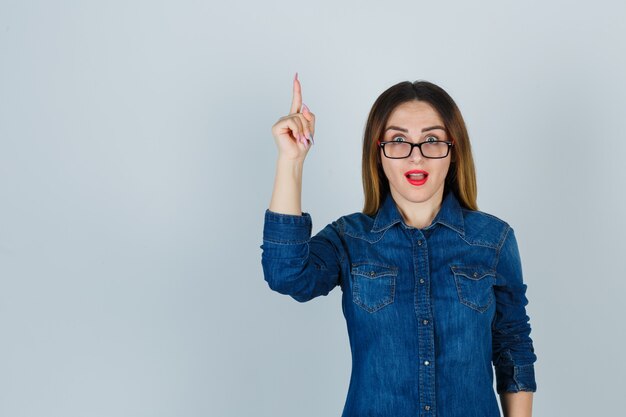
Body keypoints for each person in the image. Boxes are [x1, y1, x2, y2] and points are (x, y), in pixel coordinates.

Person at [260, 73, 537, 417]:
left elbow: (513, 349)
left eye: (432, 140)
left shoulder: (493, 240)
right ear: (378, 153)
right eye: (398, 141)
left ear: (453, 151)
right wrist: (291, 160)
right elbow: (286, 274)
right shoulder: (350, 238)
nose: (415, 157)